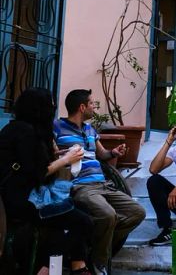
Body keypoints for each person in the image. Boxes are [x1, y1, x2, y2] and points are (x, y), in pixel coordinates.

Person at [0, 88, 94, 275]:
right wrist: (67, 160)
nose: (53, 109)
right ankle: (52, 268)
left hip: (23, 194)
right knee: (83, 221)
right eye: (50, 105)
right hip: (21, 200)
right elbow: (39, 173)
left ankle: (70, 266)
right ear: (40, 109)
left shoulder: (19, 128)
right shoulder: (26, 132)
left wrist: (56, 153)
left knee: (80, 211)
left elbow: (34, 161)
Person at [54, 89, 145, 275]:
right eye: (92, 104)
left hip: (104, 185)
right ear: (82, 107)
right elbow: (51, 155)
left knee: (137, 212)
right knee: (107, 215)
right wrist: (64, 156)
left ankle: (95, 242)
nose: (94, 107)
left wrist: (114, 153)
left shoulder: (90, 129)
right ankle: (98, 263)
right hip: (81, 186)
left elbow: (102, 154)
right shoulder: (56, 127)